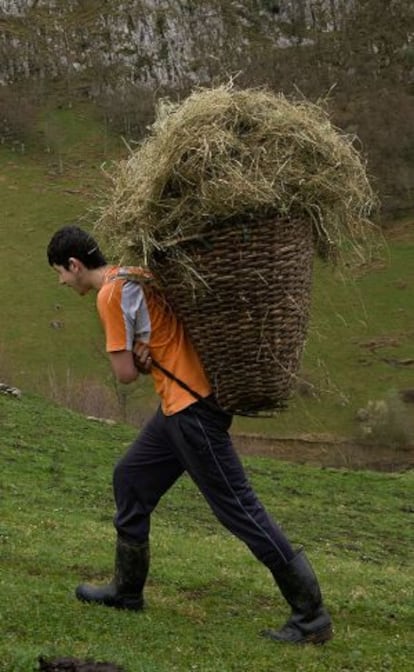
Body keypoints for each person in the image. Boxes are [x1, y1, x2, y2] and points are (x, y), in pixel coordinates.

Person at [47, 225, 333, 645]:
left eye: (60, 273)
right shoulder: (136, 274)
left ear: (75, 264)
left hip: (192, 411)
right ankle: (127, 592)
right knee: (130, 478)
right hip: (181, 406)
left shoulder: (110, 295)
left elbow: (124, 375)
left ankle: (311, 615)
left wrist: (141, 359)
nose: (61, 282)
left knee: (240, 509)